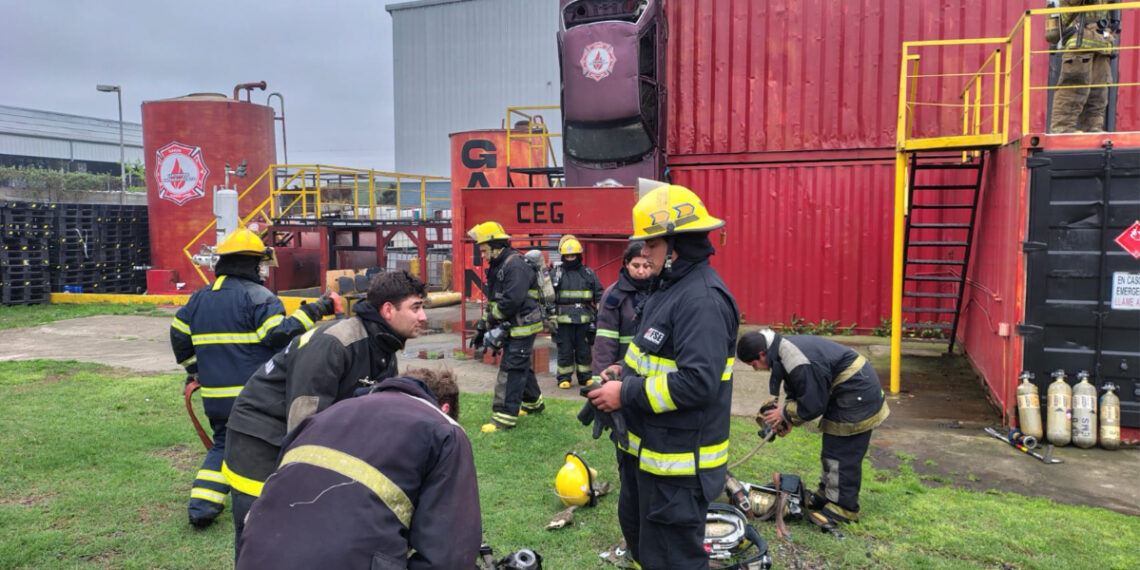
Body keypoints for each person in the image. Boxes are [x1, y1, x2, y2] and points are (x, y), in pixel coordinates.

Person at [587, 184, 739, 570]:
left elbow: (698, 383)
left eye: (651, 245)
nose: (643, 253)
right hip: (648, 457)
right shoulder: (668, 289)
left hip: (678, 467)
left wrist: (626, 393)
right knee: (646, 549)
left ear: (675, 245)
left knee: (673, 560)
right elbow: (657, 356)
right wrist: (622, 371)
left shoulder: (701, 300)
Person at [223, 270, 427, 556]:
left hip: (295, 433)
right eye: (416, 308)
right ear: (388, 310)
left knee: (300, 535)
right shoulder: (335, 343)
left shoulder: (382, 346)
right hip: (260, 441)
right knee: (260, 536)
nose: (423, 317)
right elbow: (303, 423)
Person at [169, 227, 339, 528]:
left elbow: (178, 334)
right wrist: (317, 309)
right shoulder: (260, 297)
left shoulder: (198, 298)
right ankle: (276, 501)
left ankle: (202, 506)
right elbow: (276, 335)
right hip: (253, 397)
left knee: (224, 443)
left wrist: (194, 368)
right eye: (261, 263)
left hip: (214, 397)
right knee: (269, 445)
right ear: (249, 264)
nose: (263, 270)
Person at [236, 368, 481, 569]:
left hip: (255, 554)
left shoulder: (326, 415)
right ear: (445, 407)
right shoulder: (443, 429)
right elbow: (448, 556)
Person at [736, 329, 890, 526]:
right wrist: (789, 419)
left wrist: (785, 413)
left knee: (843, 453)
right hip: (844, 390)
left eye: (753, 364)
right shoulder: (781, 350)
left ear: (761, 354)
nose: (756, 369)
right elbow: (798, 388)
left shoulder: (793, 358)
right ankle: (826, 494)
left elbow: (813, 404)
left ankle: (843, 509)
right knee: (831, 449)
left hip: (857, 391)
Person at [467, 221, 547, 433]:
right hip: (514, 326)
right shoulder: (498, 267)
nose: (483, 255)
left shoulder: (514, 266)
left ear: (496, 246)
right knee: (518, 363)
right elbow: (494, 301)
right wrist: (482, 327)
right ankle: (534, 403)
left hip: (523, 326)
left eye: (484, 250)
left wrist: (492, 321)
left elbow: (511, 301)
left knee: (511, 368)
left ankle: (503, 417)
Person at [1049, 0, 1119, 133]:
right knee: (1073, 92)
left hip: (1102, 44)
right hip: (1080, 43)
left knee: (1098, 95)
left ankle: (1093, 130)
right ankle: (1062, 132)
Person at [589, 240, 652, 385]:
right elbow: (605, 342)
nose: (641, 271)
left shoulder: (662, 291)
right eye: (636, 266)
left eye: (646, 266)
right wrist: (601, 380)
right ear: (626, 264)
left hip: (653, 372)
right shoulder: (613, 296)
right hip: (622, 371)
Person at [552, 236, 604, 389]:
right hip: (563, 320)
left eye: (572, 255)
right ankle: (564, 378)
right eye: (567, 256)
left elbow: (599, 294)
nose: (570, 258)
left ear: (579, 255)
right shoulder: (556, 273)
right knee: (565, 350)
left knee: (584, 350)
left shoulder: (588, 273)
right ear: (563, 256)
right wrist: (550, 316)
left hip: (584, 319)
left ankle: (585, 378)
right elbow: (547, 297)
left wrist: (600, 316)